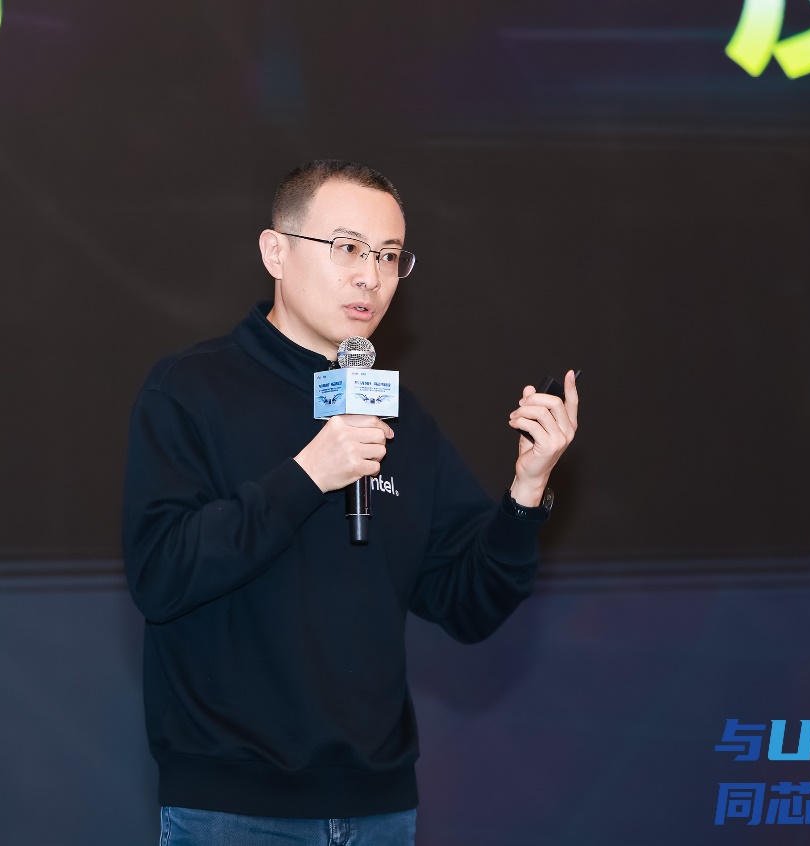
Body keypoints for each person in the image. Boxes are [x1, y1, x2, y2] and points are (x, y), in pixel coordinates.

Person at [122, 160, 579, 845]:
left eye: (390, 256)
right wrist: (308, 474)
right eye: (348, 248)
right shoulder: (192, 390)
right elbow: (162, 574)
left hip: (378, 807)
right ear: (275, 252)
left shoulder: (401, 418)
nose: (371, 275)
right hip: (234, 807)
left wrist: (526, 491)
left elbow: (468, 604)